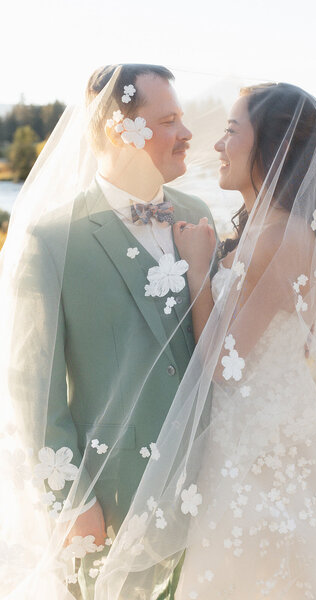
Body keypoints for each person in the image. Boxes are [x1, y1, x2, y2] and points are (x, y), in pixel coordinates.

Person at [169, 82, 316, 598]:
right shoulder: (265, 228)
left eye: (231, 131)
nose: (217, 145)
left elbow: (225, 364)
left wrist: (197, 272)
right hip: (258, 435)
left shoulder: (281, 236)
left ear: (269, 147)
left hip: (265, 449)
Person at [0, 64, 216, 600]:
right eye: (169, 119)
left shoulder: (198, 214)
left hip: (210, 486)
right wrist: (70, 499)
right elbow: (34, 391)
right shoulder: (52, 241)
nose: (187, 134)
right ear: (122, 130)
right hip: (114, 501)